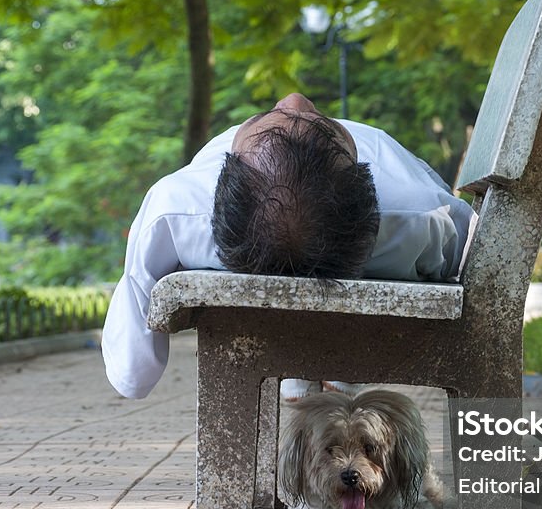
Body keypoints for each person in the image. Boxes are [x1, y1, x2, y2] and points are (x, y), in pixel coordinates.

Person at [102, 93, 475, 400]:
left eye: (272, 116)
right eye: (320, 122)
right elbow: (465, 256)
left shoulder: (175, 210)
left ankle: (318, 366)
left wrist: (137, 370)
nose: (294, 99)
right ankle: (332, 367)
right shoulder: (420, 215)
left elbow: (134, 349)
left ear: (226, 167)